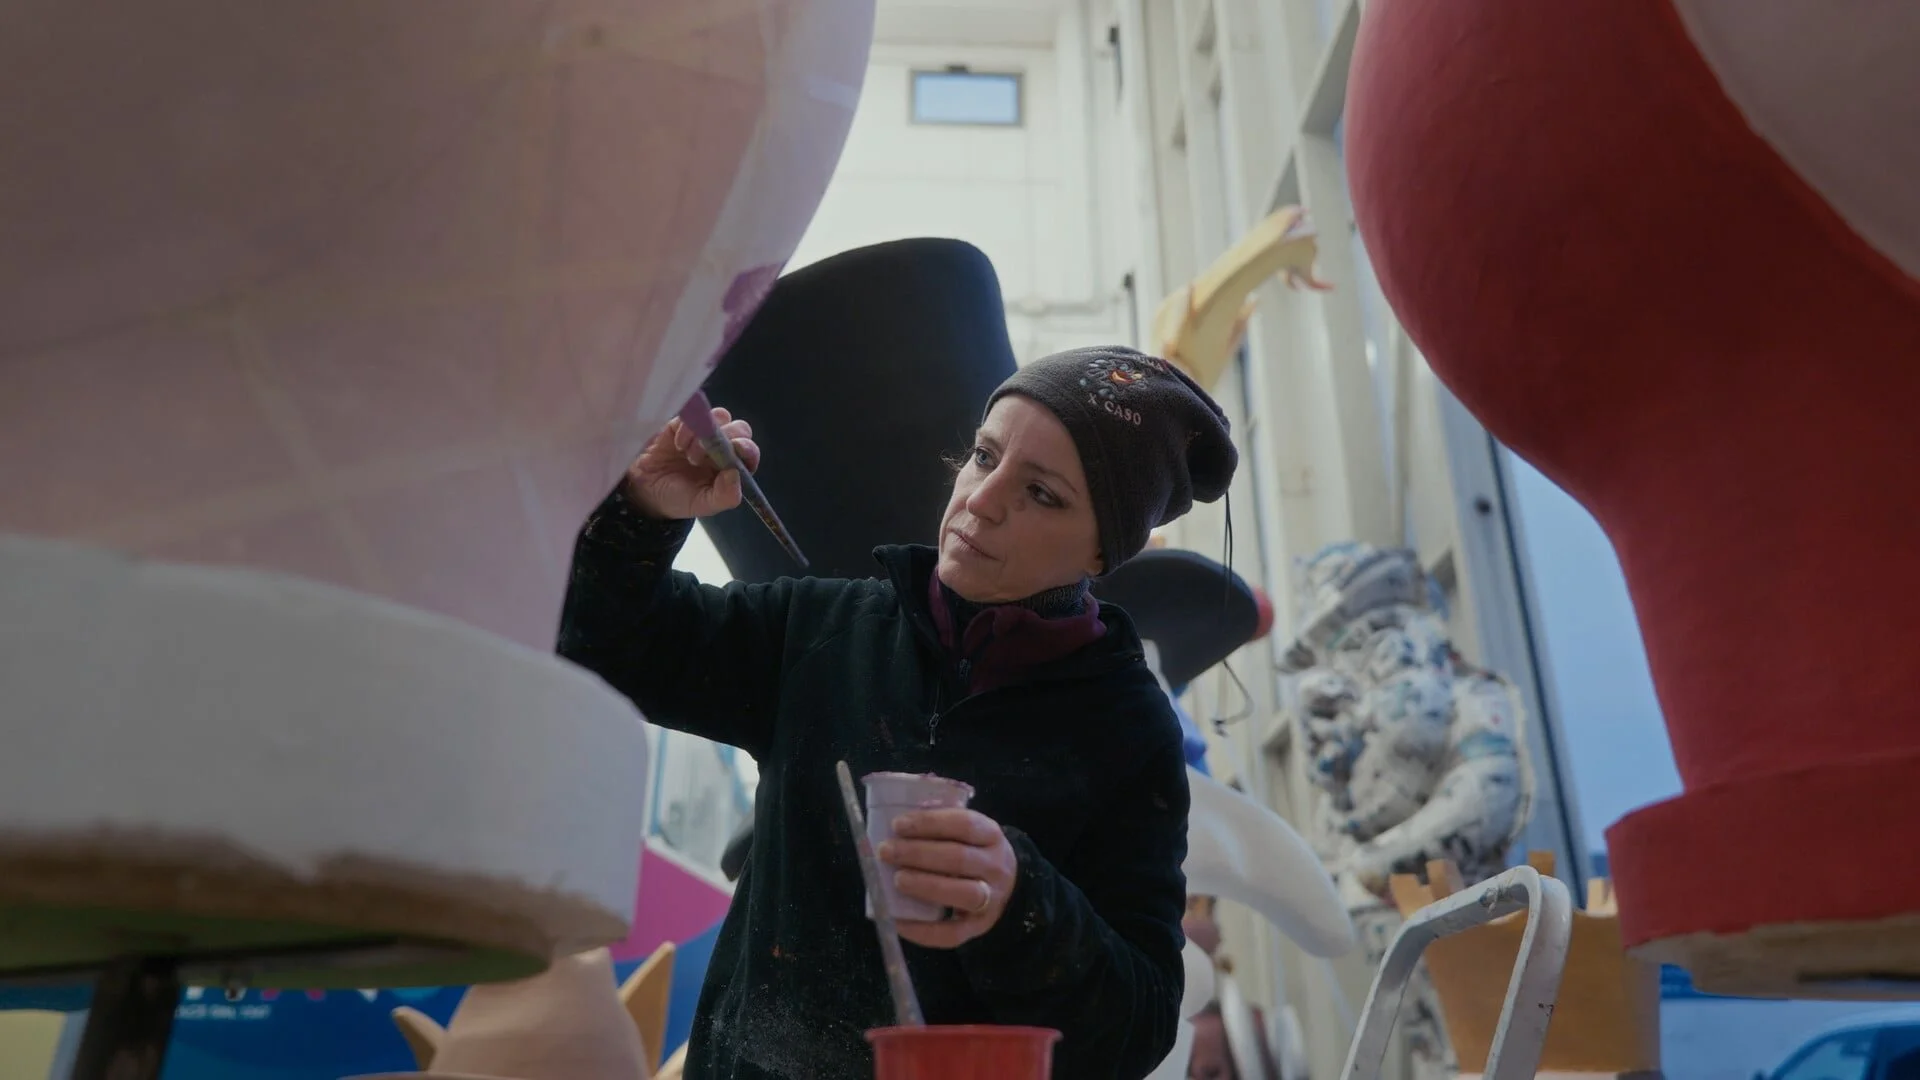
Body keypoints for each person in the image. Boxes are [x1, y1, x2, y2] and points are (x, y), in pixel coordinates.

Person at [559, 345, 1238, 1079]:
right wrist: (644, 512)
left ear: (1104, 552)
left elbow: (1137, 1028)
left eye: (1042, 493)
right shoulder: (824, 633)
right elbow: (604, 648)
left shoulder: (1127, 727)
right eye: (984, 456)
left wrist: (1020, 906)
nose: (982, 498)